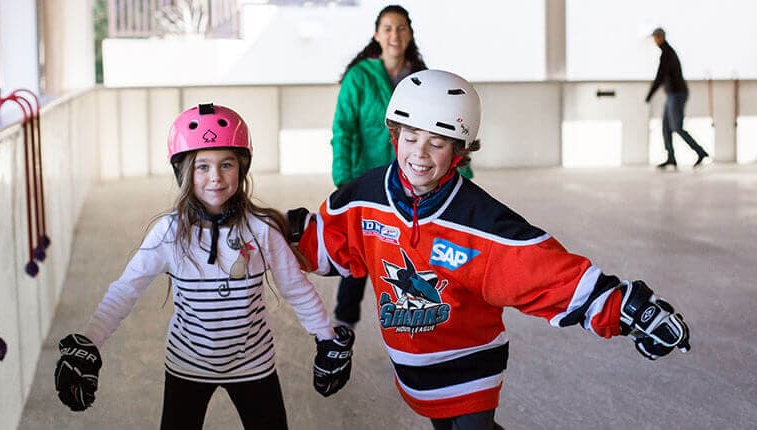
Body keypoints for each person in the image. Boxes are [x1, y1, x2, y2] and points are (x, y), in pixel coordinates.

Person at [288, 70, 691, 429]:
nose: (420, 154)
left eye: (438, 143)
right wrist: (267, 229)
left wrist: (626, 308)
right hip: (414, 366)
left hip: (471, 362)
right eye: (410, 138)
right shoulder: (365, 199)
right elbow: (326, 243)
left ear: (460, 151)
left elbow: (544, 273)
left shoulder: (479, 220)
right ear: (394, 136)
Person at [53, 103, 354, 430]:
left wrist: (326, 338)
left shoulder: (261, 229)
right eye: (202, 166)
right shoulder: (168, 233)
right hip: (187, 364)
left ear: (242, 168)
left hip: (253, 363)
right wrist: (90, 341)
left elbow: (296, 289)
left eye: (227, 164)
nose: (216, 177)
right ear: (183, 172)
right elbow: (126, 291)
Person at [331, 4, 472, 330]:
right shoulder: (359, 78)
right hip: (368, 179)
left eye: (401, 28)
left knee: (417, 247)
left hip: (417, 179)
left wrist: (462, 173)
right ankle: (344, 324)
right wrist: (344, 178)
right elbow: (344, 129)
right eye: (388, 28)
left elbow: (446, 130)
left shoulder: (423, 80)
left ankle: (420, 316)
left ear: (410, 34)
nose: (395, 35)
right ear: (377, 35)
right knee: (361, 251)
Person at [646, 27, 709, 170]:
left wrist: (650, 95)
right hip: (672, 95)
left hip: (677, 94)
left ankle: (700, 152)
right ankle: (671, 158)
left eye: (655, 38)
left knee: (677, 128)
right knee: (666, 127)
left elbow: (660, 77)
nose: (654, 41)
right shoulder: (666, 52)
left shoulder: (667, 54)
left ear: (660, 37)